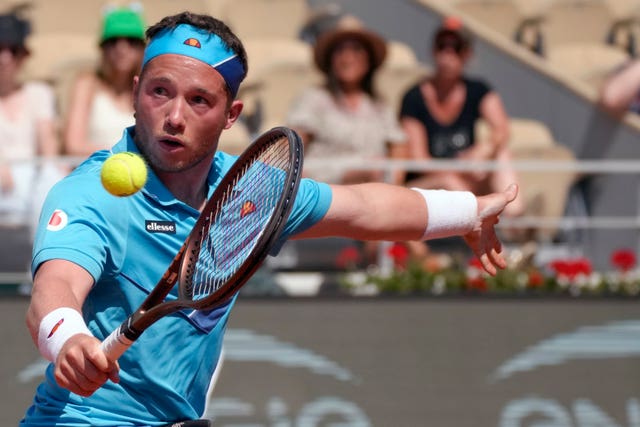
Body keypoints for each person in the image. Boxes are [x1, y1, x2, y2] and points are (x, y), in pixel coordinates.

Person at [20, 12, 518, 426]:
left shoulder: (248, 193)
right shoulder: (92, 192)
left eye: (198, 100)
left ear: (231, 115)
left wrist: (469, 212)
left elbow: (364, 208)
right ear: (135, 93)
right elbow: (54, 289)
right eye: (159, 92)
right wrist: (70, 339)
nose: (174, 115)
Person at [399, 16, 523, 218]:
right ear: (433, 50)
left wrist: (485, 149)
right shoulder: (414, 97)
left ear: (467, 54)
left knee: (502, 155)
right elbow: (419, 162)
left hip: (466, 180)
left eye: (456, 47)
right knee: (451, 182)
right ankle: (484, 229)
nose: (448, 54)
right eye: (442, 46)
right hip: (427, 186)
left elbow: (502, 128)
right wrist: (461, 165)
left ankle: (514, 224)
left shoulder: (478, 90)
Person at [286, 15, 407, 185]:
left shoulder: (379, 106)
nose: (347, 57)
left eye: (356, 49)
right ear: (331, 59)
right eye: (340, 50)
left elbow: (398, 148)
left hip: (374, 194)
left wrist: (394, 183)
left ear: (368, 59)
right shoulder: (314, 99)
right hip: (326, 192)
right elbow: (291, 146)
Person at [0, 10, 62, 237]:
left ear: (23, 55)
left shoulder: (39, 93)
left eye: (12, 50)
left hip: (31, 181)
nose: (4, 58)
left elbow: (49, 153)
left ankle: (43, 265)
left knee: (52, 179)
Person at [63, 4, 146, 157]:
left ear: (142, 47)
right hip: (93, 172)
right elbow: (73, 145)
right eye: (113, 41)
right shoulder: (86, 84)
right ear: (102, 48)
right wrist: (123, 154)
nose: (122, 48)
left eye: (131, 41)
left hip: (140, 175)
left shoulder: (148, 87)